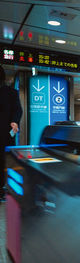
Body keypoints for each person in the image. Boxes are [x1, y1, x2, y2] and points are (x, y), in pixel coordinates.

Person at [0, 65, 22, 201]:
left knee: (5, 161)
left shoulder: (11, 92)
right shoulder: (11, 92)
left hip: (5, 134)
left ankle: (3, 188)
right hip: (5, 134)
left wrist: (15, 121)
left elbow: (18, 110)